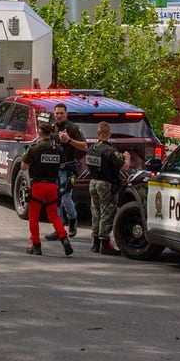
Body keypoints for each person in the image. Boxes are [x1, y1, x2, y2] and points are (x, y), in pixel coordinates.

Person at [22, 122, 72, 256]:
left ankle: (36, 245)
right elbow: (62, 166)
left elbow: (23, 167)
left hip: (38, 185)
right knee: (53, 215)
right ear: (51, 133)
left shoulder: (34, 149)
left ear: (39, 132)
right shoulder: (58, 149)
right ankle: (64, 238)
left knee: (34, 216)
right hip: (52, 186)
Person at [85, 121, 129, 255]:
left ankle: (95, 243)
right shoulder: (110, 150)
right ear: (109, 134)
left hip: (93, 182)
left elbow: (88, 166)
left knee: (95, 212)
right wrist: (127, 158)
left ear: (98, 133)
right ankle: (104, 243)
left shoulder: (91, 149)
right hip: (106, 184)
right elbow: (124, 168)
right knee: (107, 213)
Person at [46, 103, 87, 240]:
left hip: (68, 169)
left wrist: (69, 140)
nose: (59, 116)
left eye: (61, 113)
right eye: (57, 113)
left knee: (65, 198)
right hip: (53, 169)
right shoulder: (53, 128)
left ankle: (73, 220)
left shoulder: (73, 128)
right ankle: (58, 228)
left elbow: (84, 146)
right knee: (54, 199)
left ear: (66, 114)